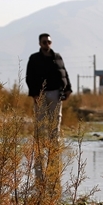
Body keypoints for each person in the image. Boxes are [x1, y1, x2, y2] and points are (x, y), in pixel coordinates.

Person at [25, 33, 72, 187]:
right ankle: (39, 154)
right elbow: (29, 76)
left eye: (49, 41)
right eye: (44, 42)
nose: (47, 44)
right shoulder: (34, 58)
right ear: (40, 43)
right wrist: (34, 94)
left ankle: (54, 152)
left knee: (55, 123)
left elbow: (64, 72)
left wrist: (68, 89)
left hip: (56, 95)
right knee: (40, 125)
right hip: (40, 95)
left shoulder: (57, 57)